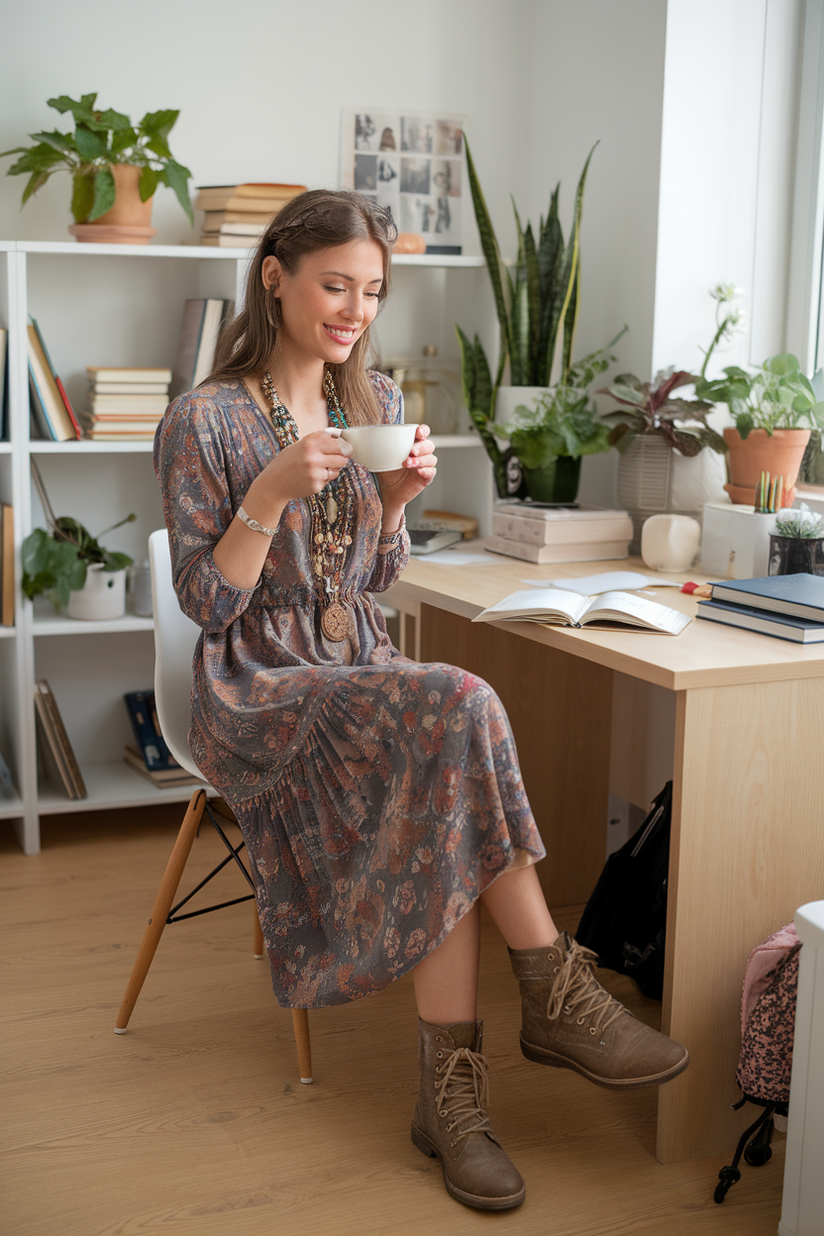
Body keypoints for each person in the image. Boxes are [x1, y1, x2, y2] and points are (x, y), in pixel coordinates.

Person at [154, 188, 689, 1213]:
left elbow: (368, 579)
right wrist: (266, 495)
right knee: (455, 700)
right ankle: (549, 988)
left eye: (371, 291)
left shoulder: (378, 403)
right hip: (256, 684)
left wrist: (391, 506)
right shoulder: (204, 420)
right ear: (275, 275)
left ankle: (454, 1098)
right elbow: (204, 602)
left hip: (355, 663)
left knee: (447, 732)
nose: (353, 308)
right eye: (334, 284)